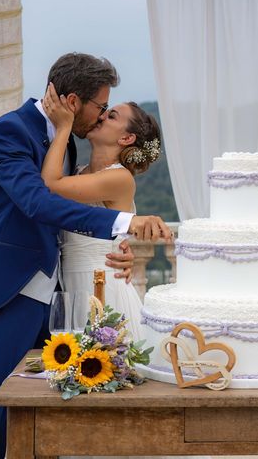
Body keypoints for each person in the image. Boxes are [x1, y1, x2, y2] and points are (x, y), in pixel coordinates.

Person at [0, 52, 172, 459]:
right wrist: (122, 225)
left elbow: (70, 216)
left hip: (61, 301)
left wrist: (113, 249)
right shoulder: (10, 132)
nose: (102, 114)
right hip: (7, 291)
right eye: (101, 106)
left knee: (48, 421)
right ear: (74, 101)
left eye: (110, 111)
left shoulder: (67, 141)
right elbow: (37, 202)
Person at [40, 82, 164, 342]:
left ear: (126, 138)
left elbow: (49, 186)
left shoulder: (119, 178)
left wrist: (64, 127)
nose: (102, 116)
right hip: (70, 287)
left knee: (104, 370)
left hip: (103, 286)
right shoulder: (78, 171)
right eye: (105, 110)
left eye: (112, 115)